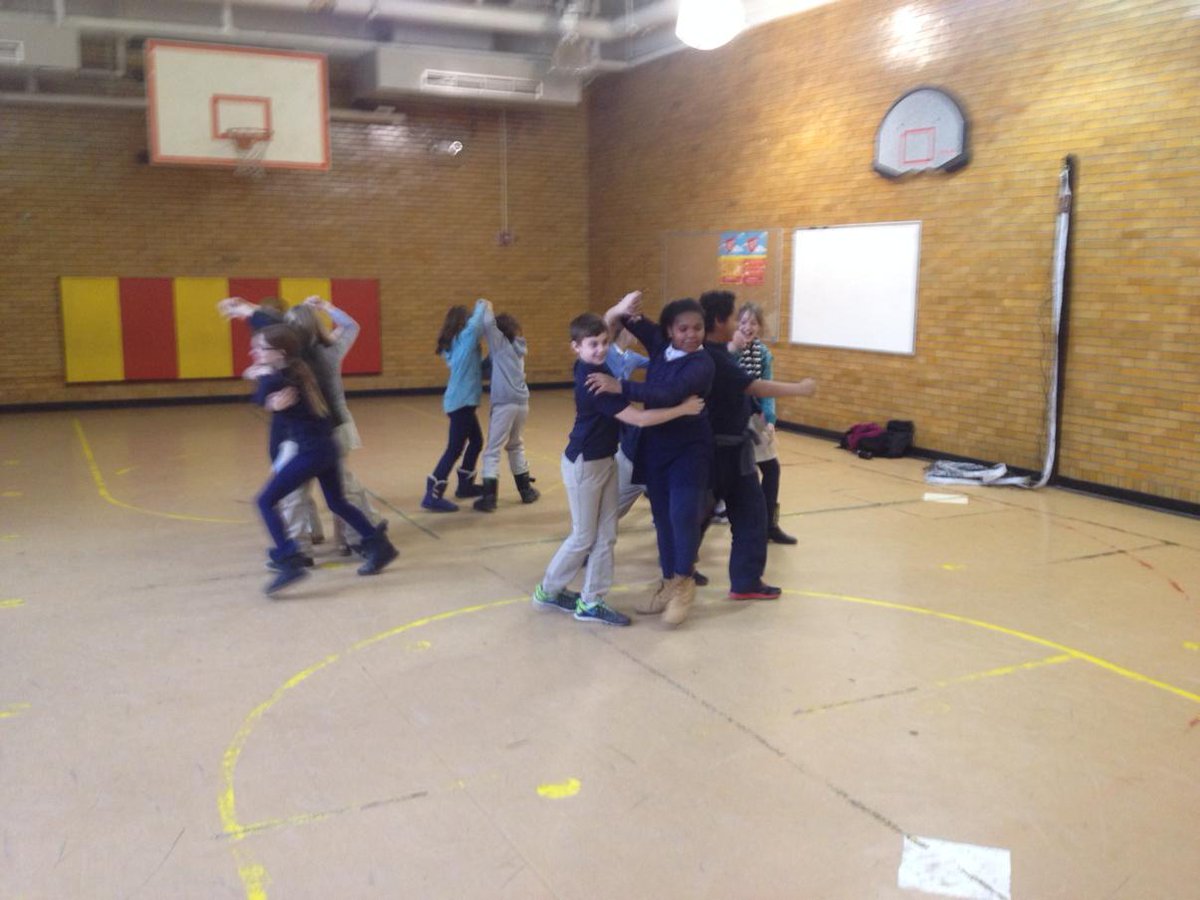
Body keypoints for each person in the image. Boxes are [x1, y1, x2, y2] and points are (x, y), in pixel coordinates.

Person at [532, 312, 705, 626]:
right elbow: (638, 419)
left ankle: (591, 601)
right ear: (576, 348)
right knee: (583, 536)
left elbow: (609, 323)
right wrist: (683, 409)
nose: (599, 349)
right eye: (592, 344)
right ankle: (549, 589)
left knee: (606, 535)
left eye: (603, 342)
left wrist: (621, 309)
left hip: (606, 461)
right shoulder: (595, 383)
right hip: (584, 464)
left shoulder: (598, 366)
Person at [588, 291, 716, 627]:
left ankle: (684, 584)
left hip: (690, 449)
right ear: (671, 331)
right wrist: (622, 307)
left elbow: (668, 395)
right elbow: (621, 320)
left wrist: (622, 387)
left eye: (698, 328)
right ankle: (669, 580)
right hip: (656, 445)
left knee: (681, 514)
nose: (691, 335)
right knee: (661, 517)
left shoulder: (702, 363)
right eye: (683, 329)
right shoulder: (661, 346)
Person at [246, 324, 397, 595]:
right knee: (337, 502)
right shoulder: (296, 369)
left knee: (265, 501)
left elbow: (259, 398)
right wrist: (264, 385)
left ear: (279, 353)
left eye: (260, 349)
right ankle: (379, 545)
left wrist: (260, 379)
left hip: (312, 452)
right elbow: (265, 399)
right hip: (326, 448)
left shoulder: (278, 379)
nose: (253, 352)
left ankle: (289, 557)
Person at [696, 291, 816, 601]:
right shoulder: (715, 356)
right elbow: (753, 385)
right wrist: (800, 389)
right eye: (735, 317)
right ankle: (677, 572)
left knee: (749, 514)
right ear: (720, 321)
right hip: (719, 453)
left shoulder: (717, 351)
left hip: (734, 450)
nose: (739, 324)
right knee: (703, 515)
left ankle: (745, 580)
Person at [285, 297, 383, 554]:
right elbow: (351, 326)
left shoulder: (290, 359)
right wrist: (325, 306)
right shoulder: (330, 350)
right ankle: (350, 539)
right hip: (337, 427)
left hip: (311, 432)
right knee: (341, 489)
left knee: (298, 489)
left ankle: (303, 543)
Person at [730, 302, 797, 545]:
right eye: (744, 322)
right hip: (731, 419)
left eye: (753, 323)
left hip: (755, 418)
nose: (748, 327)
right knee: (728, 479)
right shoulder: (728, 351)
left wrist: (769, 421)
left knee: (771, 469)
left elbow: (767, 390)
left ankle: (770, 524)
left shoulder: (764, 354)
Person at [423, 299, 488, 512]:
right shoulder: (464, 340)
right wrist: (483, 304)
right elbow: (476, 325)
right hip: (461, 403)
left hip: (462, 402)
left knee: (476, 441)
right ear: (463, 323)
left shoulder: (458, 346)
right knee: (454, 448)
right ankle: (432, 494)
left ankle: (465, 486)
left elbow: (478, 369)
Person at [474, 308, 539, 512]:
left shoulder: (499, 345)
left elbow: (486, 321)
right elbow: (488, 369)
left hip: (504, 404)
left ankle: (489, 498)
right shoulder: (518, 347)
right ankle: (526, 490)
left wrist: (483, 304)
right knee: (515, 445)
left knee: (492, 449)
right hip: (522, 403)